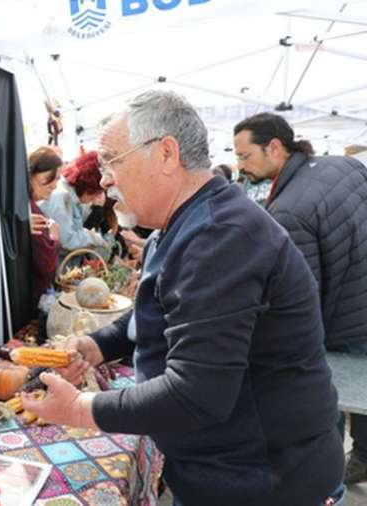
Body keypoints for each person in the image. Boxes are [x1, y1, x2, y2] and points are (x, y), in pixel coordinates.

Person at [23, 90, 344, 505]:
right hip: (224, 473)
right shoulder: (180, 224)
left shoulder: (220, 237)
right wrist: (96, 345)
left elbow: (198, 393)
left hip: (264, 483)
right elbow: (154, 312)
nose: (104, 179)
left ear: (166, 154)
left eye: (111, 162)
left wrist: (83, 409)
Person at [234, 112, 367, 486]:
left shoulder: (289, 210)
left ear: (274, 147)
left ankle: (326, 480)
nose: (242, 166)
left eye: (245, 156)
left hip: (343, 323)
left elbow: (302, 300)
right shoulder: (345, 165)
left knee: (330, 402)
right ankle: (363, 457)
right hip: (360, 301)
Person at [40, 151, 113, 260]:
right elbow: (67, 240)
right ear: (89, 186)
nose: (95, 198)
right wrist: (95, 238)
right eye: (97, 192)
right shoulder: (61, 196)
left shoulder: (72, 197)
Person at [27, 146, 62, 306]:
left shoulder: (25, 207)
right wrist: (54, 238)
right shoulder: (32, 212)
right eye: (50, 177)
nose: (54, 185)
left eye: (57, 179)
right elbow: (46, 268)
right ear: (31, 174)